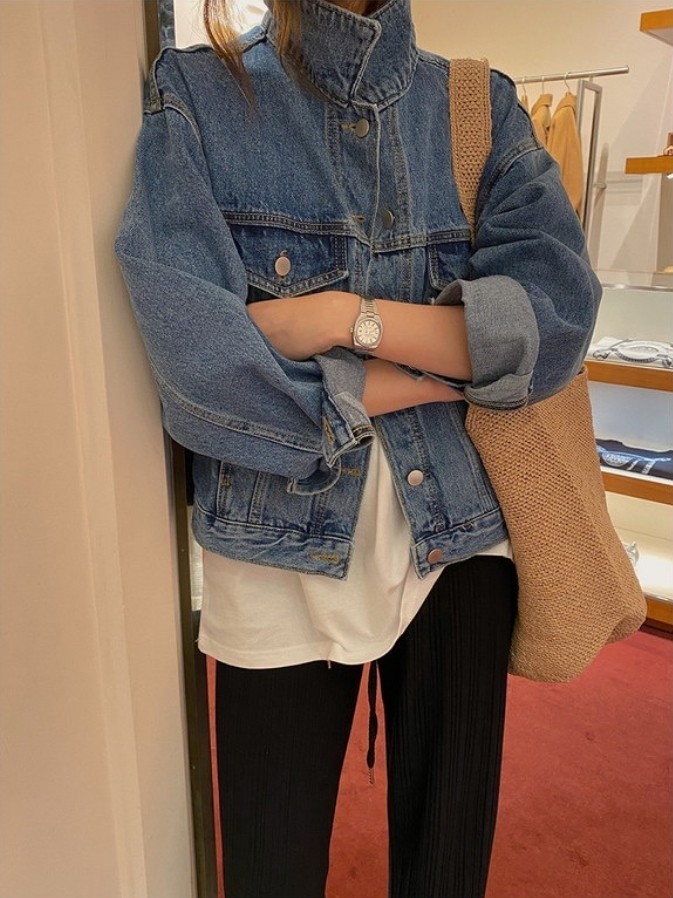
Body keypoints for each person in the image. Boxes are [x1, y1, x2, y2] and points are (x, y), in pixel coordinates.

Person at [114, 0, 602, 895]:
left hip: (460, 538)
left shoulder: (474, 105)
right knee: (269, 866)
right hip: (274, 546)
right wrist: (423, 369)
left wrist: (339, 320)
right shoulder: (198, 97)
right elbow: (200, 370)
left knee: (446, 868)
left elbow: (554, 319)